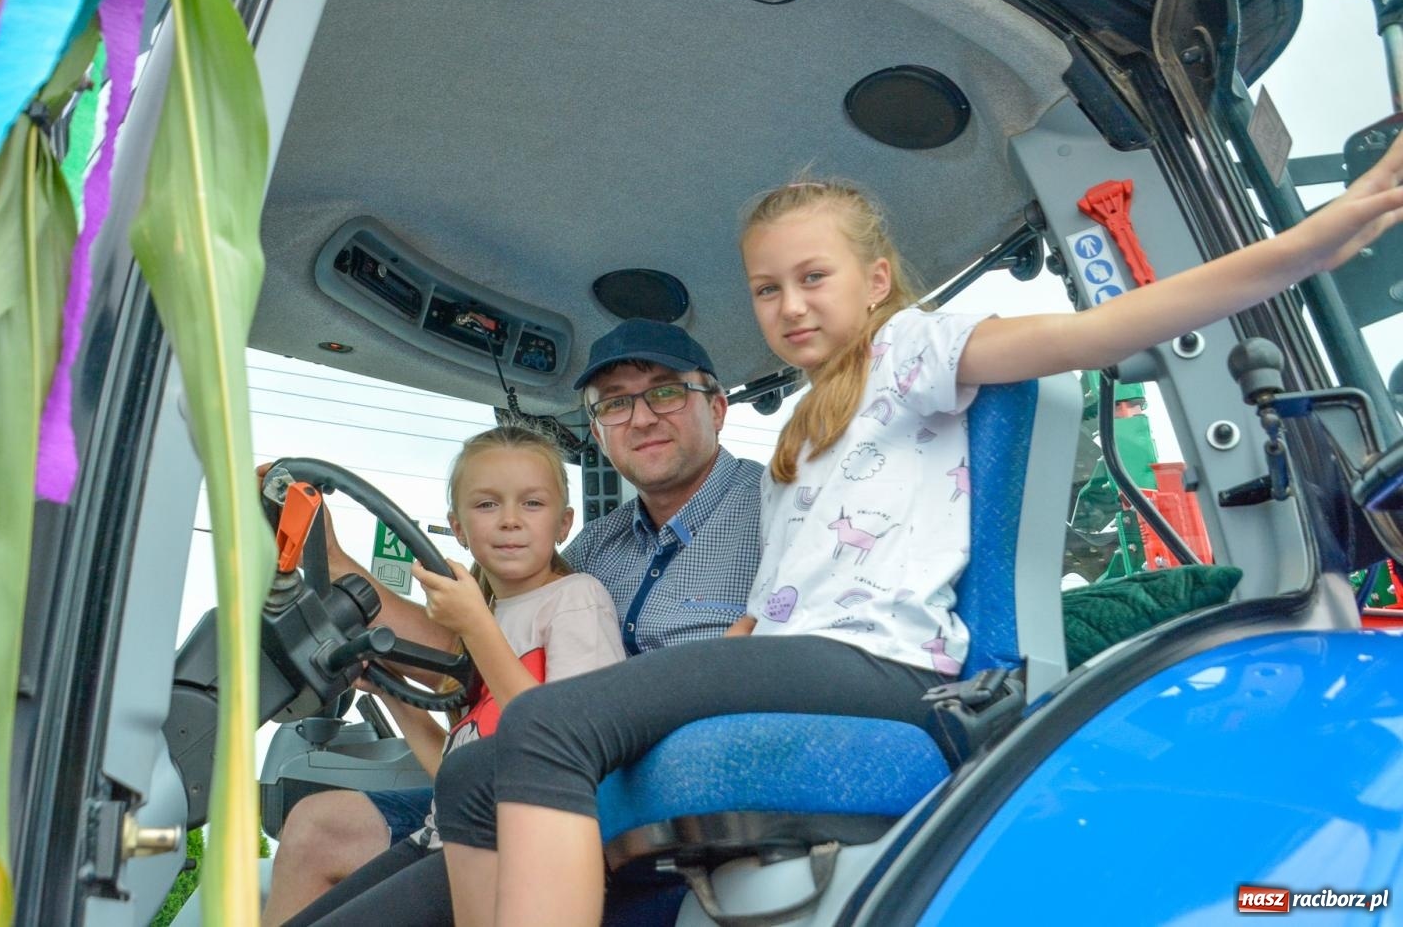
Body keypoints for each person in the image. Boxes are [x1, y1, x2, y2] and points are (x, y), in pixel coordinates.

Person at [432, 139, 1403, 927]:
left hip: (884, 664)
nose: (789, 305)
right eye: (767, 289)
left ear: (876, 279)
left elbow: (1096, 332)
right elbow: (765, 611)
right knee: (476, 772)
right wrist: (708, 664)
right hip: (800, 654)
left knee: (548, 725)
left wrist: (1306, 246)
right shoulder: (804, 431)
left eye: (813, 277)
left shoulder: (914, 349)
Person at [262, 319, 765, 924]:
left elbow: (554, 720)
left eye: (665, 392)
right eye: (615, 403)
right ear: (598, 431)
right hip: (508, 793)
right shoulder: (594, 546)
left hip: (651, 811)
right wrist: (333, 564)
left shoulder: (775, 510)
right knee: (320, 827)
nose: (641, 418)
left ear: (717, 407)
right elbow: (476, 655)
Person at [280, 425, 625, 926]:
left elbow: (563, 743)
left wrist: (474, 625)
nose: (510, 520)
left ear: (564, 523)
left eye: (532, 503)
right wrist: (391, 692)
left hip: (516, 856)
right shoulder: (487, 616)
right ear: (458, 528)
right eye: (487, 505)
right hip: (445, 837)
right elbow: (452, 773)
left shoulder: (576, 600)